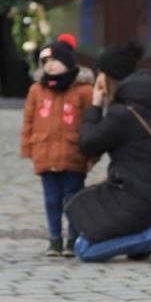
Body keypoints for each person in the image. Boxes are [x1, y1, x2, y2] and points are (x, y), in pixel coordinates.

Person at [66, 41, 151, 263]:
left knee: (85, 247)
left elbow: (88, 143)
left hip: (140, 197)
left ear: (108, 78)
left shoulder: (122, 114)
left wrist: (95, 107)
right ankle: (146, 235)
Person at [20, 38, 94, 257]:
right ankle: (54, 238)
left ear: (68, 62)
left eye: (55, 60)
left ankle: (73, 238)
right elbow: (29, 119)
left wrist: (91, 154)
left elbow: (92, 123)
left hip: (73, 154)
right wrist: (28, 147)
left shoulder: (83, 91)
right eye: (45, 61)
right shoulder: (37, 90)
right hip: (45, 153)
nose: (50, 65)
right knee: (51, 200)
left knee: (72, 198)